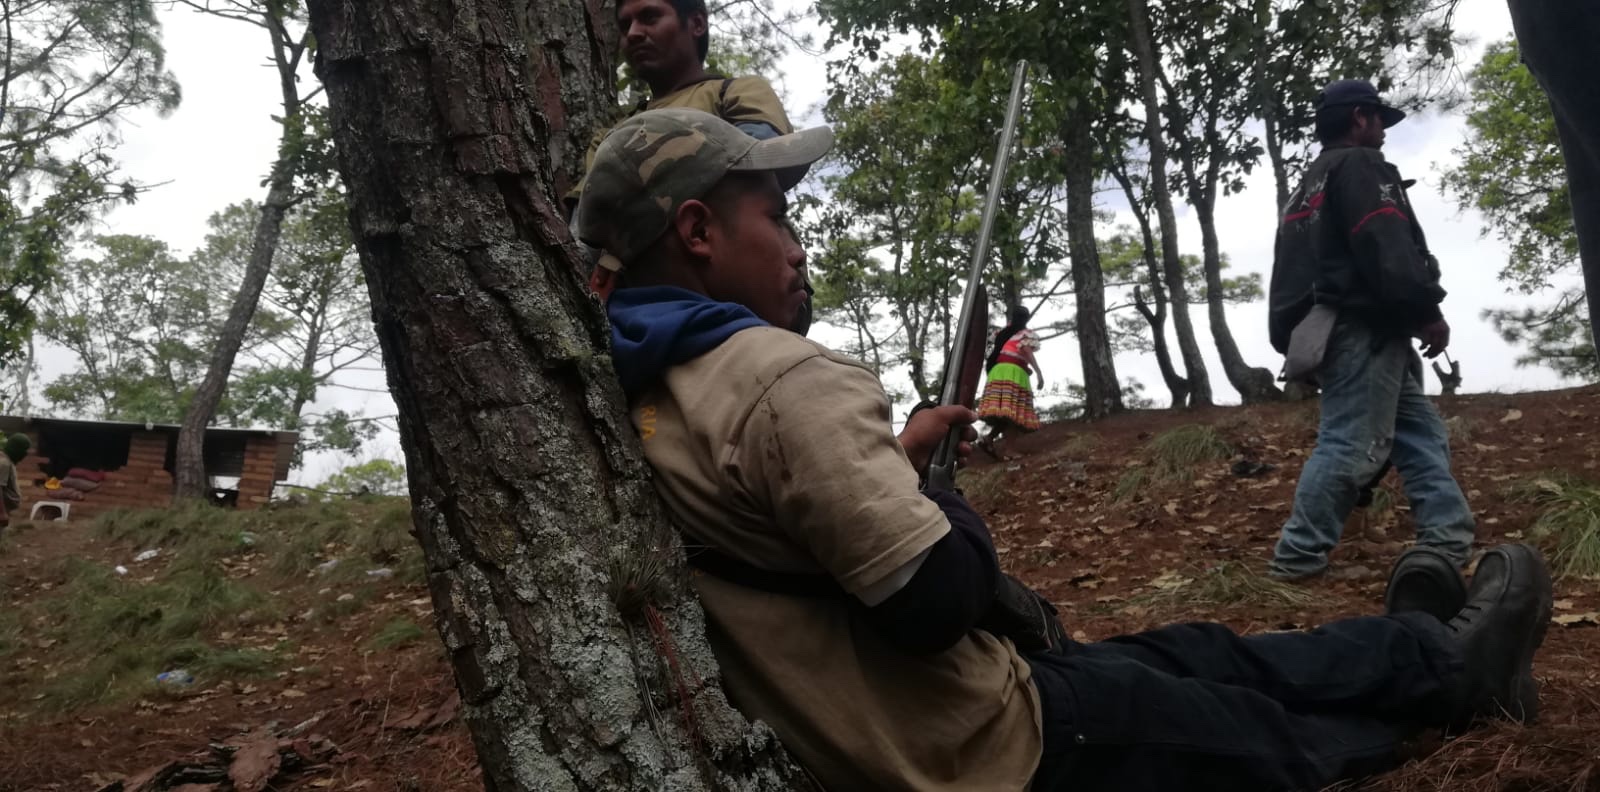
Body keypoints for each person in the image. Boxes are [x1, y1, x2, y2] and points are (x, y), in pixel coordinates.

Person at [578, 106, 1553, 792]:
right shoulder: (782, 378)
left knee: (1198, 651)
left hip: (915, 726)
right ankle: (1452, 677)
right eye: (775, 214)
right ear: (698, 230)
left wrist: (905, 460)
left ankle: (1418, 645)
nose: (795, 244)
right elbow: (937, 599)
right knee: (1245, 728)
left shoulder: (636, 388)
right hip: (985, 746)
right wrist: (942, 495)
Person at [1266, 79, 1476, 581]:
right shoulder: (1361, 166)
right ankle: (1296, 562)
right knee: (1348, 443)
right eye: (1379, 119)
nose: (1383, 130)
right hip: (1362, 324)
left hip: (1336, 324)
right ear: (1360, 117)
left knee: (1421, 436)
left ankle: (1447, 546)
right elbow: (1386, 244)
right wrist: (1425, 310)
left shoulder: (1312, 180)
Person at [565, 0, 817, 333]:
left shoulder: (736, 91)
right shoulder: (609, 138)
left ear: (696, 23)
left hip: (754, 292)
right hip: (642, 314)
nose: (634, 34)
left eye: (650, 17)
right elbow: (584, 230)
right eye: (625, 26)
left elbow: (763, 163)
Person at [977, 305, 1043, 458]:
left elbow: (1007, 353)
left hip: (997, 371)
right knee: (1014, 411)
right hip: (1012, 373)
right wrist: (1039, 372)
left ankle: (988, 439)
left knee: (1005, 411)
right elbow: (1026, 351)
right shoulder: (1025, 334)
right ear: (1026, 319)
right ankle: (1009, 451)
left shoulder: (1003, 333)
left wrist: (1024, 367)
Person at [0, 433, 30, 529]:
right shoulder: (4, 463)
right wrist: (2, 513)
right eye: (24, 450)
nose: (25, 454)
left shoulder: (7, 461)